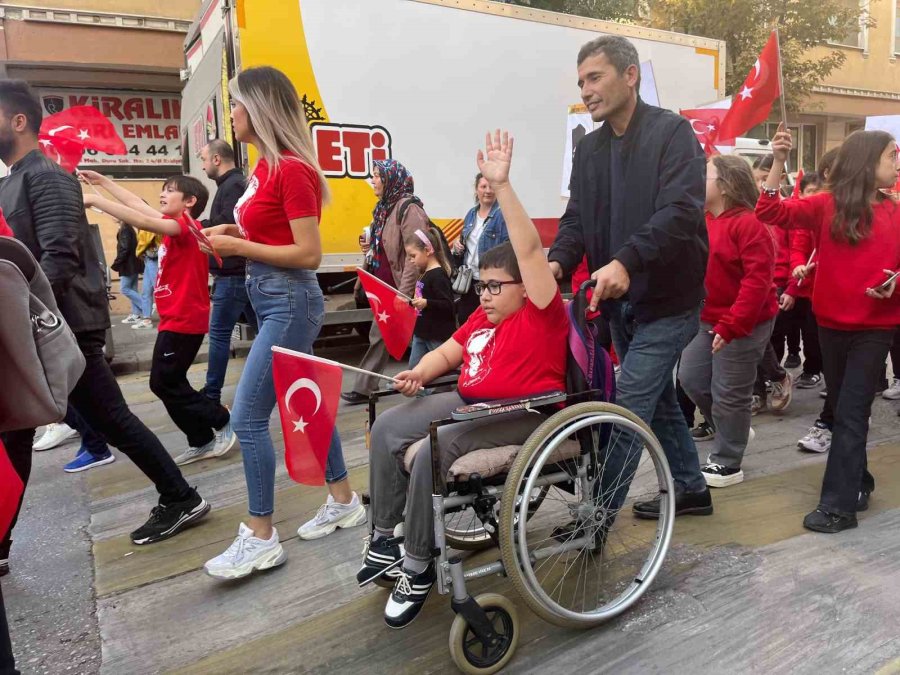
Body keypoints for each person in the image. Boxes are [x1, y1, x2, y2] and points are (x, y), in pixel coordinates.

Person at [359, 130, 568, 629]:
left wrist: (504, 185)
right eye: (482, 286)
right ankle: (385, 536)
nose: (487, 295)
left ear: (523, 288)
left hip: (524, 413)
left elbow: (533, 253)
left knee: (433, 447)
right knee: (388, 427)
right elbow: (450, 352)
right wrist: (416, 372)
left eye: (496, 287)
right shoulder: (484, 318)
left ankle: (417, 564)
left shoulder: (542, 311)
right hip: (470, 400)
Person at [0, 79, 210, 550]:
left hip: (62, 327)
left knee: (110, 419)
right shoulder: (13, 180)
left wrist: (20, 319)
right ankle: (1, 542)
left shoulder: (48, 177)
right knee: (16, 430)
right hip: (39, 327)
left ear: (18, 121)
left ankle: (180, 497)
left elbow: (58, 258)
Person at [200, 66, 364, 578]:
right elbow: (271, 230)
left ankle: (261, 534)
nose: (232, 114)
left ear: (260, 108)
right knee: (306, 408)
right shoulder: (267, 169)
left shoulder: (292, 169)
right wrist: (232, 227)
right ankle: (344, 499)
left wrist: (236, 245)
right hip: (273, 298)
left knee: (248, 417)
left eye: (236, 104)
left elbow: (310, 253)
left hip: (288, 302)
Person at [547, 35, 712, 519]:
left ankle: (596, 517)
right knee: (658, 401)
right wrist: (556, 261)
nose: (587, 90)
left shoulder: (672, 133)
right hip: (618, 306)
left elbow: (681, 212)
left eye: (595, 77)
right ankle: (692, 489)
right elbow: (576, 218)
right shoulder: (589, 148)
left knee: (628, 408)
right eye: (581, 82)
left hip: (670, 303)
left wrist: (626, 261)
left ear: (631, 75)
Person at [757, 126, 900, 533]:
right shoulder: (824, 205)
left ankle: (838, 508)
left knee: (851, 413)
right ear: (867, 162)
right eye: (892, 155)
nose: (897, 164)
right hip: (830, 326)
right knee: (844, 411)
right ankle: (859, 482)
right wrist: (780, 160)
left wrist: (895, 284)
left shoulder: (897, 211)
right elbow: (768, 212)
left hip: (875, 330)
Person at [82, 172, 238, 468]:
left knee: (164, 383)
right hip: (175, 318)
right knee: (168, 382)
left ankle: (220, 418)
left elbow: (142, 220)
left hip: (184, 319)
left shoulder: (182, 226)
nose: (163, 194)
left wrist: (93, 199)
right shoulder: (176, 226)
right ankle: (201, 439)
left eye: (170, 190)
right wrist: (103, 182)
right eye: (163, 190)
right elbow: (136, 204)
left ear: (189, 202)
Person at [678, 155, 777, 488]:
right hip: (707, 320)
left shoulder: (749, 224)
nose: (697, 179)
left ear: (725, 184)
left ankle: (727, 462)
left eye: (705, 175)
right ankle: (732, 425)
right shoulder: (703, 220)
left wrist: (733, 325)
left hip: (744, 323)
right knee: (692, 378)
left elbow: (757, 282)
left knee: (729, 391)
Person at [341, 159, 431, 405]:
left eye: (378, 175)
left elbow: (416, 254)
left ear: (392, 179)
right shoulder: (383, 208)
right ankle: (370, 387)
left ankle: (433, 382)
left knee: (426, 337)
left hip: (401, 288)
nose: (373, 180)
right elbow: (383, 247)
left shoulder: (408, 209)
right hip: (383, 286)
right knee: (387, 335)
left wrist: (404, 293)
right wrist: (368, 254)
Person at [199, 139, 254, 406]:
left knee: (219, 335)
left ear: (217, 159)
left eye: (204, 159)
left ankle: (212, 394)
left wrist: (200, 226)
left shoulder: (233, 185)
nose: (203, 166)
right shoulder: (230, 185)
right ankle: (285, 380)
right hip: (238, 274)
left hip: (233, 274)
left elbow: (230, 224)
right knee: (266, 336)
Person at [451, 172, 509, 324]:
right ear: (476, 190)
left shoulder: (502, 215)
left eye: (491, 187)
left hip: (491, 282)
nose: (488, 191)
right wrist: (458, 244)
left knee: (488, 323)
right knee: (466, 321)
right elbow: (468, 241)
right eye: (483, 186)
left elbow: (507, 249)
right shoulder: (471, 213)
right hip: (470, 281)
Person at [788, 171, 824, 390]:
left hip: (829, 288)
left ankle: (825, 371)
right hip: (806, 289)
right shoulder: (803, 220)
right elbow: (798, 248)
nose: (815, 197)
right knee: (809, 333)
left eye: (819, 192)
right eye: (810, 192)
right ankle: (812, 369)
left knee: (824, 336)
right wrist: (798, 265)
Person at [404, 228, 456, 369]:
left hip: (436, 333)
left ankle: (445, 388)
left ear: (427, 251)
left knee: (441, 367)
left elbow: (448, 305)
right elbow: (422, 297)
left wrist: (426, 303)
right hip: (422, 331)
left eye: (413, 256)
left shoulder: (438, 275)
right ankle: (411, 383)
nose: (411, 260)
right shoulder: (425, 273)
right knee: (414, 367)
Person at [112, 218, 144, 324]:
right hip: (133, 264)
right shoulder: (128, 228)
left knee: (125, 289)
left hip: (128, 265)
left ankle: (145, 305)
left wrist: (116, 263)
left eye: (114, 215)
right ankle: (136, 314)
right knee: (133, 289)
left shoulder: (125, 229)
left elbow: (124, 249)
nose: (112, 217)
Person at [134, 229, 160, 330]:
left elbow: (145, 240)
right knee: (146, 291)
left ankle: (167, 317)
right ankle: (146, 319)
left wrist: (139, 251)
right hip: (149, 258)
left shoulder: (146, 224)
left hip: (152, 258)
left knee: (158, 290)